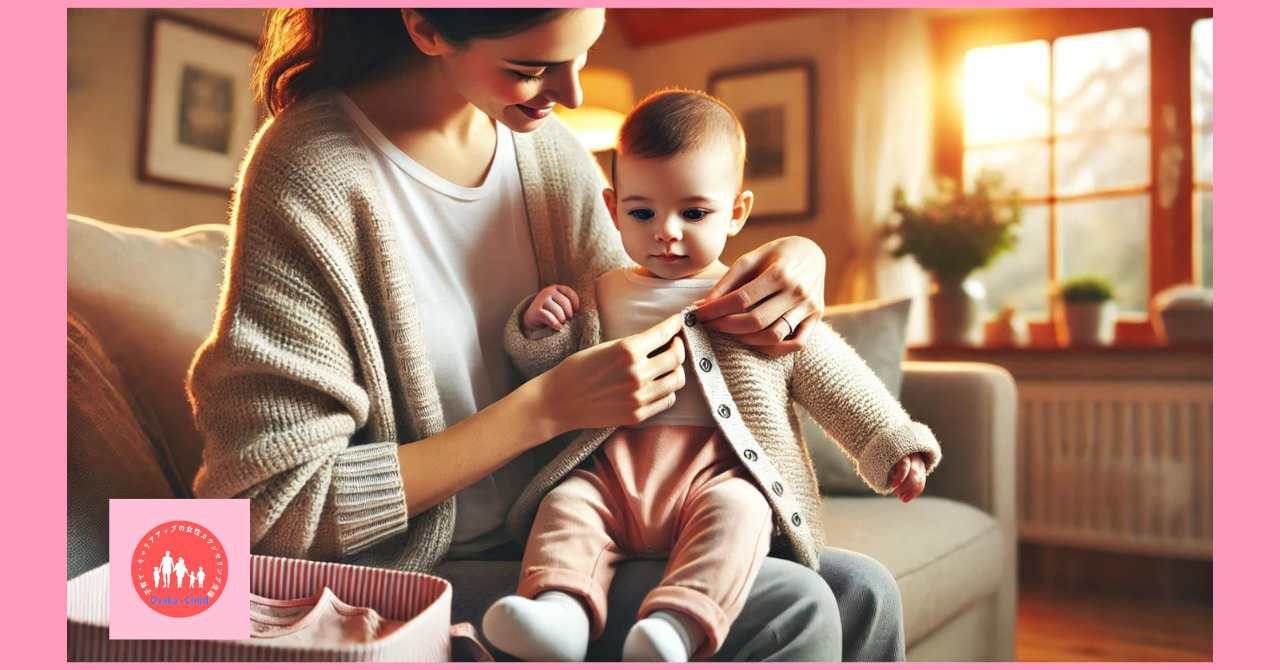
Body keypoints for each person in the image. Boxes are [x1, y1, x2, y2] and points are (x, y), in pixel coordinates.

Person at [188, 8, 901, 661]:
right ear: (425, 25)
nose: (574, 93)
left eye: (583, 54)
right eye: (532, 67)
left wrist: (797, 257)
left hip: (580, 531)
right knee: (796, 606)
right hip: (420, 567)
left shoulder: (549, 153)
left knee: (865, 592)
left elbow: (660, 299)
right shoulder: (311, 174)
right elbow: (269, 508)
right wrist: (545, 410)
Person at [480, 90, 940, 662]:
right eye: (642, 212)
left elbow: (833, 375)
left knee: (744, 512)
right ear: (613, 205)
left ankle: (677, 624)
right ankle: (559, 613)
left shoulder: (753, 301)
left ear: (737, 212)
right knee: (566, 506)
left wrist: (892, 444)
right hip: (610, 474)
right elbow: (548, 371)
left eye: (693, 213)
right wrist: (538, 328)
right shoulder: (597, 292)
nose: (666, 232)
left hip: (715, 476)